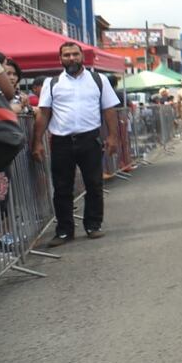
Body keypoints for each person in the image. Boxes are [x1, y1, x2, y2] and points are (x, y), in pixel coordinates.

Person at [30, 42, 121, 245]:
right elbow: (44, 113)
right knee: (62, 188)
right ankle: (64, 231)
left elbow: (109, 110)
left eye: (75, 54)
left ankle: (93, 225)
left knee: (94, 184)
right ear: (60, 59)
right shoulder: (52, 83)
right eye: (67, 55)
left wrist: (113, 137)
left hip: (90, 140)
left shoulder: (99, 80)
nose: (71, 58)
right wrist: (37, 142)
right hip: (61, 142)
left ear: (82, 57)